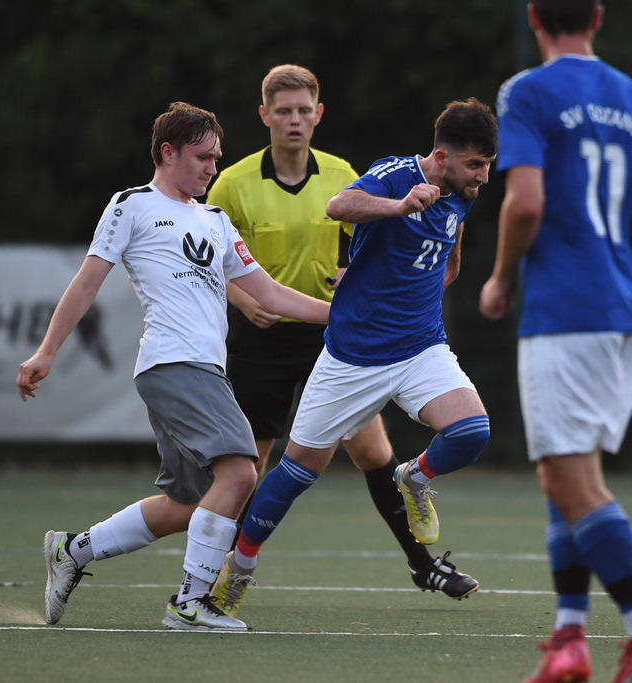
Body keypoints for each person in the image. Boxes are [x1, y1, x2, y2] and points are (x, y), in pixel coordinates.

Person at [17, 101, 330, 631]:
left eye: (217, 158)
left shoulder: (215, 219)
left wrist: (344, 316)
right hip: (172, 362)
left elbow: (270, 294)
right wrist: (46, 350)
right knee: (239, 471)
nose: (213, 168)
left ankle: (74, 550)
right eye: (203, 157)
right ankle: (189, 604)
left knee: (190, 503)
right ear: (168, 152)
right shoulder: (131, 205)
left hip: (202, 370)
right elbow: (87, 282)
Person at [479, 2, 632, 682]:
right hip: (622, 311)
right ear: (598, 16)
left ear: (534, 17)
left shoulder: (529, 90)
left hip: (567, 311)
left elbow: (525, 202)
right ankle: (569, 637)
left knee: (564, 477)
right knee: (571, 473)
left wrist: (499, 277)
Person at [209, 98, 498, 617]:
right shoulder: (396, 175)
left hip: (419, 348)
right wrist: (400, 206)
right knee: (298, 469)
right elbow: (338, 206)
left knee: (472, 432)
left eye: (489, 165)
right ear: (442, 155)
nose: (484, 176)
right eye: (475, 165)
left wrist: (392, 281)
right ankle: (240, 566)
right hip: (354, 358)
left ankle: (415, 478)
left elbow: (448, 260)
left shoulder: (462, 193)